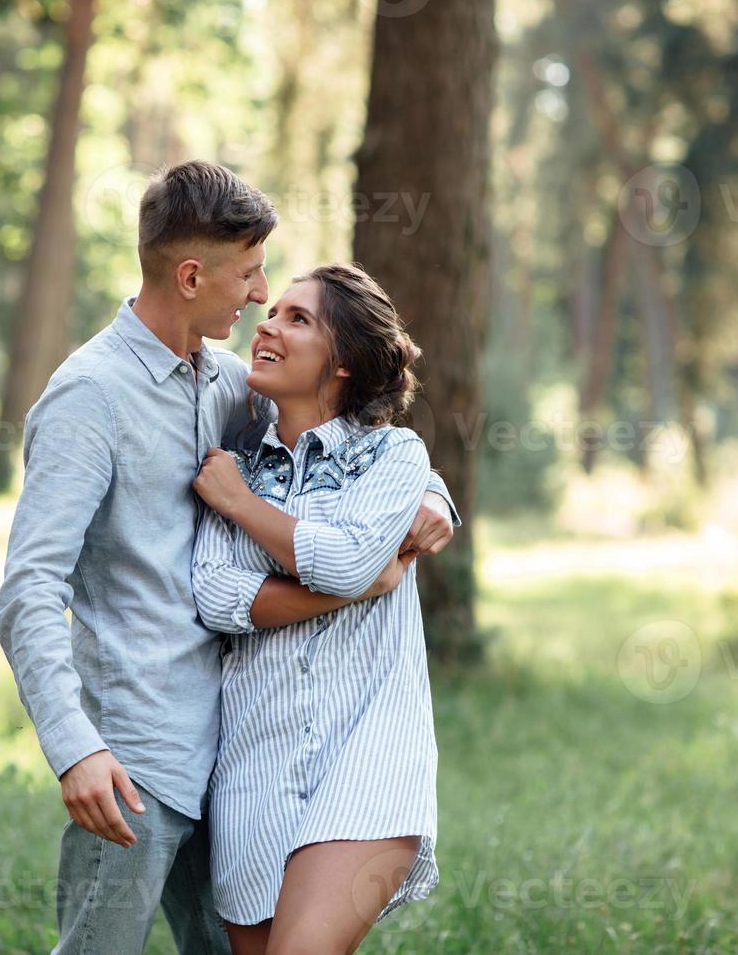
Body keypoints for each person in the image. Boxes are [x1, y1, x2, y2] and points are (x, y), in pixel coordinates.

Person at [0, 161, 457, 954]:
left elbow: (352, 429)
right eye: (248, 274)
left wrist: (434, 500)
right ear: (189, 274)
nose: (256, 295)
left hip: (235, 751)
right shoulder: (89, 398)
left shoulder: (228, 383)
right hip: (133, 761)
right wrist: (77, 747)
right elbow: (28, 590)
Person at [191, 263, 450, 955]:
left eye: (298, 318)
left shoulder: (393, 457)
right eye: (272, 312)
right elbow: (218, 597)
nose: (268, 325)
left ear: (343, 364)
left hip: (369, 754)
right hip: (254, 766)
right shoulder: (234, 462)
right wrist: (362, 584)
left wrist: (246, 513)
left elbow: (346, 559)